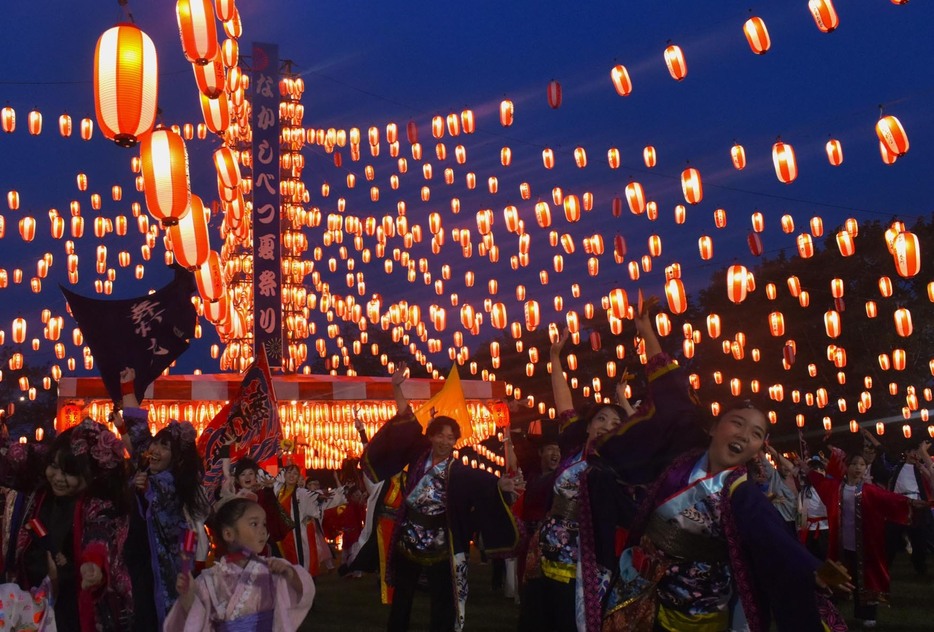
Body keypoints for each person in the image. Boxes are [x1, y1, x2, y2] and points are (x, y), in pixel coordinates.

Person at [361, 362, 521, 632]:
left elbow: (483, 481)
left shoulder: (457, 471)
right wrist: (396, 387)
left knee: (443, 599)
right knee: (403, 595)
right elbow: (405, 417)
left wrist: (501, 483)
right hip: (409, 537)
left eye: (451, 438)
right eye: (441, 436)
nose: (446, 442)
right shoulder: (417, 455)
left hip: (439, 544)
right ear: (432, 437)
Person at [0, 418, 134, 630]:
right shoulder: (40, 491)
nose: (58, 478)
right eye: (54, 466)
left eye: (69, 472)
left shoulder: (98, 502)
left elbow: (99, 532)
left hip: (72, 608)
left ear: (91, 474)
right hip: (30, 603)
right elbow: (17, 457)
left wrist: (94, 563)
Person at [117, 367, 211, 631]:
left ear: (177, 458)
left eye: (164, 447)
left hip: (160, 567)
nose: (154, 450)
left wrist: (140, 486)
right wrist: (128, 387)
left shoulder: (170, 483)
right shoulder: (147, 467)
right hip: (136, 559)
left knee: (158, 617)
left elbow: (154, 490)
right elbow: (137, 432)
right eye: (155, 444)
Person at [808, 445, 925, 627]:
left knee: (867, 576)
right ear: (846, 467)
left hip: (865, 542)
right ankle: (835, 605)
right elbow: (819, 481)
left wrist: (910, 501)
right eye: (854, 464)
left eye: (862, 464)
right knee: (843, 573)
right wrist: (807, 470)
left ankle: (867, 613)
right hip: (842, 541)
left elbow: (890, 499)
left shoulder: (870, 490)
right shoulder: (836, 488)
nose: (858, 468)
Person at [166, 493, 315, 630]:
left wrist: (289, 574)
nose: (263, 530)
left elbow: (303, 590)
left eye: (264, 524)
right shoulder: (210, 580)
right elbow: (197, 621)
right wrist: (188, 596)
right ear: (229, 534)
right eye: (254, 524)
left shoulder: (273, 568)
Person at [275, 463, 345, 576]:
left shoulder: (302, 493)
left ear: (298, 477)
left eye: (295, 474)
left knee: (300, 560)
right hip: (282, 534)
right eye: (289, 473)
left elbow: (320, 499)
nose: (292, 476)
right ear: (284, 474)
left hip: (299, 533)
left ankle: (303, 582)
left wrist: (333, 494)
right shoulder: (278, 490)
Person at [885, 437, 933, 576]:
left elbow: (931, 480)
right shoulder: (896, 468)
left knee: (919, 539)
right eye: (914, 451)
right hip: (898, 505)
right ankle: (886, 566)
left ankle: (920, 568)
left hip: (917, 506)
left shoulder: (921, 468)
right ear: (907, 452)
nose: (916, 455)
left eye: (918, 452)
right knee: (891, 538)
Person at [799, 456, 830, 560]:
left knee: (826, 559)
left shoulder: (829, 488)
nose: (820, 472)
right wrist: (801, 530)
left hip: (825, 529)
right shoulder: (804, 491)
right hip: (810, 530)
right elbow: (802, 512)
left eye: (822, 470)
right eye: (816, 470)